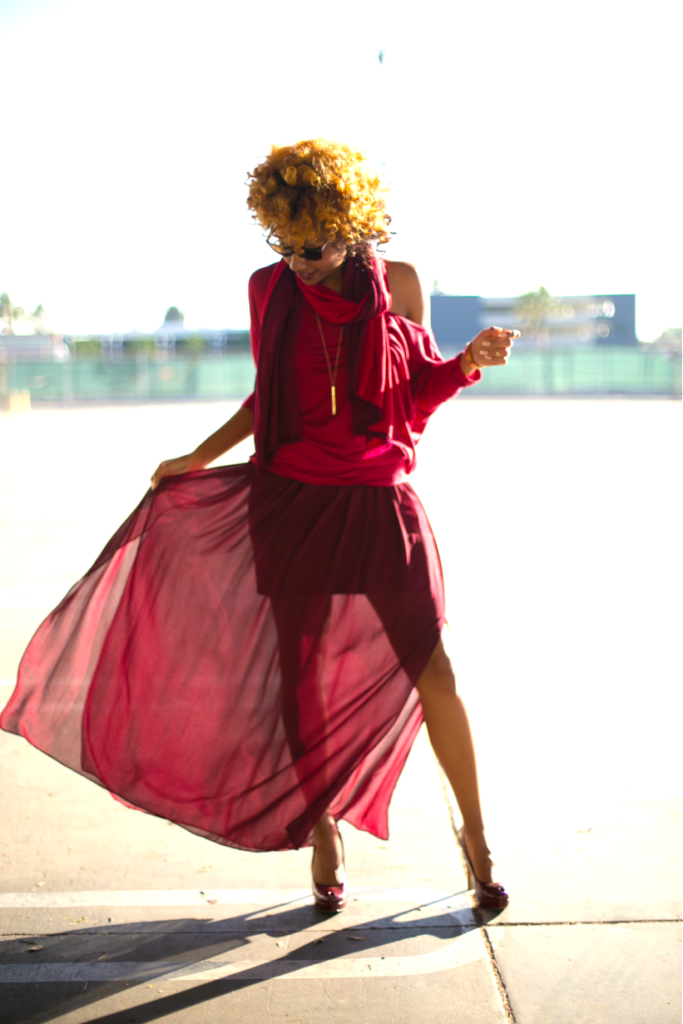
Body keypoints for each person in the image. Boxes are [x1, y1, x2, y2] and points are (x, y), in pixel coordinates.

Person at [0, 139, 517, 913]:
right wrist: (194, 457)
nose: (299, 262)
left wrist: (466, 361)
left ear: (350, 222)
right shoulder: (266, 289)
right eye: (283, 243)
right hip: (291, 506)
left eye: (312, 246)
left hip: (380, 505)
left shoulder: (400, 282)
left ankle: (477, 843)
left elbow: (413, 397)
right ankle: (321, 830)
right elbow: (263, 402)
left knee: (434, 670)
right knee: (298, 678)